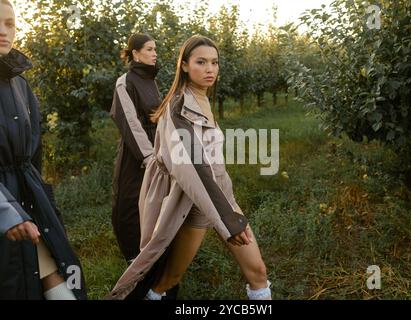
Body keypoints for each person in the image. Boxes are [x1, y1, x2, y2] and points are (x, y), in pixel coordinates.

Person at [107, 35, 272, 300]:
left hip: (222, 197)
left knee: (258, 272)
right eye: (201, 62)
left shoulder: (203, 99)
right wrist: (229, 221)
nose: (210, 69)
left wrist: (228, 208)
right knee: (169, 279)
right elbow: (194, 168)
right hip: (195, 204)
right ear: (184, 66)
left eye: (215, 62)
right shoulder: (178, 108)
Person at [0, 0, 86, 300]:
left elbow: (33, 154)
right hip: (7, 211)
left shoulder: (20, 84)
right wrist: (6, 213)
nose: (3, 31)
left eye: (9, 23)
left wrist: (43, 203)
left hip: (28, 204)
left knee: (55, 278)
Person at [110, 33, 161, 263]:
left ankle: (153, 250)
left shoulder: (151, 80)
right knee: (128, 202)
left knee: (154, 199)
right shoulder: (125, 81)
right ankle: (132, 256)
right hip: (136, 152)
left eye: (155, 49)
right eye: (149, 49)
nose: (154, 53)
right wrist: (149, 157)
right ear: (135, 53)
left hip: (157, 149)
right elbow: (130, 122)